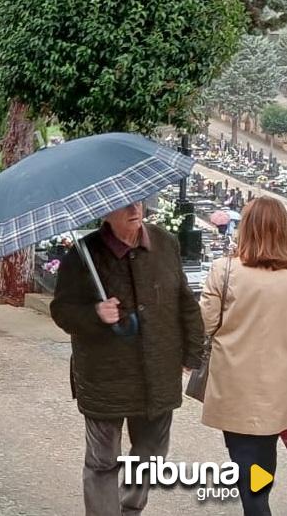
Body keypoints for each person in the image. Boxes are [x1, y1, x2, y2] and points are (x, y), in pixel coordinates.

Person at [50, 200, 204, 516]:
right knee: (102, 461)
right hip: (104, 376)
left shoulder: (164, 242)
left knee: (152, 454)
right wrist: (94, 313)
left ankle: (129, 507)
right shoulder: (83, 254)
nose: (135, 209)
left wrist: (192, 351)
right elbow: (61, 310)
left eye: (139, 201)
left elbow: (185, 301)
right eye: (123, 205)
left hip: (158, 373)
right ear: (105, 211)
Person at [200, 197, 287, 515]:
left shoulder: (224, 272)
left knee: (253, 488)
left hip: (239, 392)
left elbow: (206, 324)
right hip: (283, 390)